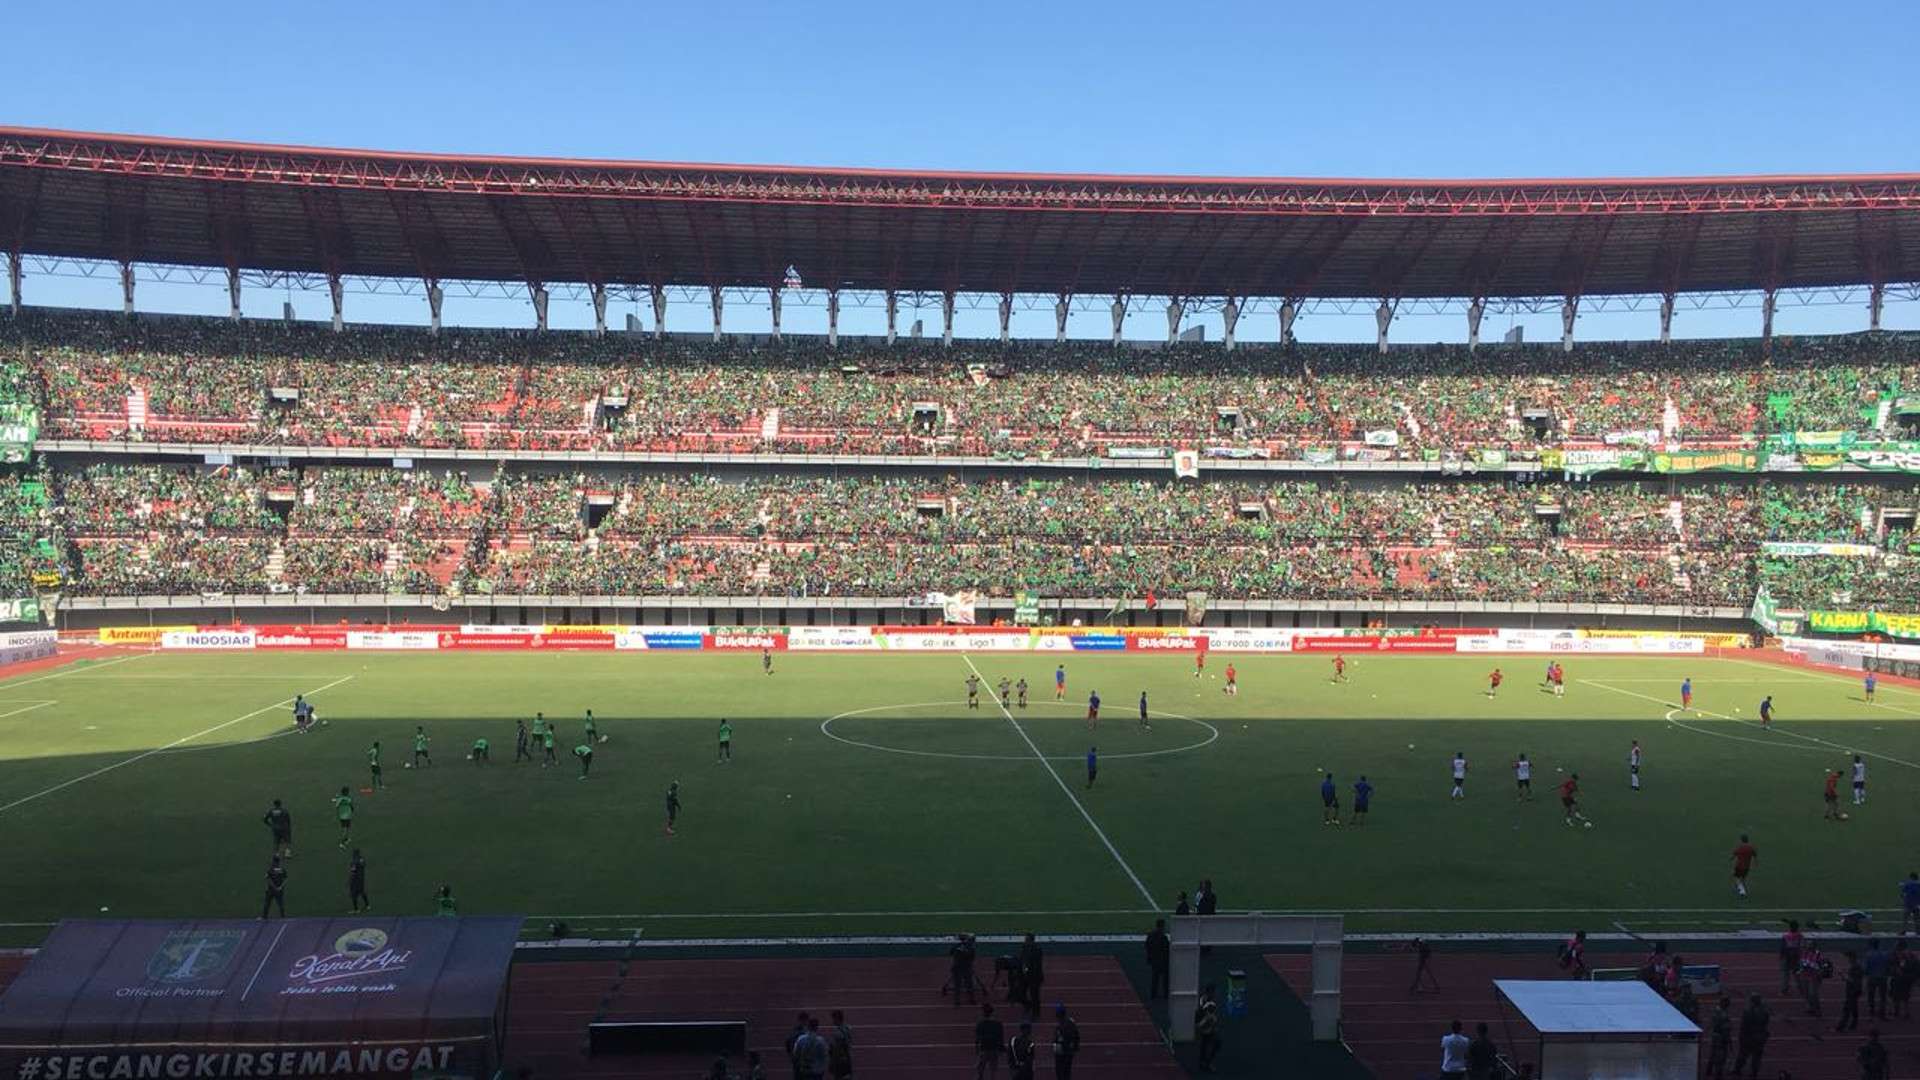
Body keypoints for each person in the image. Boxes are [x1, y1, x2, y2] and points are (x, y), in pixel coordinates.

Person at [1732, 994, 1768, 1078]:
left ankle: (1738, 1069)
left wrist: (1741, 1037)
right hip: (1759, 1037)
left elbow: (1744, 1026)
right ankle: (1754, 1072)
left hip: (1748, 1037)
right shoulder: (1764, 1012)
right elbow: (1765, 1023)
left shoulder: (1747, 1012)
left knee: (1743, 1054)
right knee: (1756, 1056)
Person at [1193, 985, 1221, 1072]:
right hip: (1206, 1027)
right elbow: (1209, 1016)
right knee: (1215, 1043)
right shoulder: (1208, 1002)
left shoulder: (1203, 999)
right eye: (1214, 992)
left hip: (1204, 1025)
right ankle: (1207, 1063)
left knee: (1205, 1045)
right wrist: (1211, 1023)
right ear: (1210, 992)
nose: (1215, 994)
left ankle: (1203, 1063)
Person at [1703, 995, 1732, 1079]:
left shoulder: (1716, 1011)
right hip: (1721, 1037)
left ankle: (1709, 1071)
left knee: (1712, 1054)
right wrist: (1728, 1040)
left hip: (1715, 1036)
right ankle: (1718, 1074)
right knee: (1720, 1057)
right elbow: (1725, 1028)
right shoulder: (1723, 1014)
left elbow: (1710, 1023)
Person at [973, 1003, 1004, 1080]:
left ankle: (980, 1077)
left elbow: (977, 1037)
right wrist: (1001, 1047)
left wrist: (976, 1048)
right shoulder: (997, 1023)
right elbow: (1001, 1036)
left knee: (980, 1067)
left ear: (983, 1012)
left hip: (984, 1048)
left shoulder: (980, 1023)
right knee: (993, 1069)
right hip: (994, 1048)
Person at [1050, 1004, 1080, 1080]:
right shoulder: (1070, 1022)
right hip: (1066, 1052)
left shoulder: (1063, 1026)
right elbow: (1076, 1036)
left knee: (1062, 1073)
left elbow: (1063, 1040)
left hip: (1063, 1052)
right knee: (1065, 1072)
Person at [947, 933, 978, 1003]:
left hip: (957, 967)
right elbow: (972, 957)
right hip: (966, 968)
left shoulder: (956, 946)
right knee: (969, 984)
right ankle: (971, 999)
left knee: (957, 985)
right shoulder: (971, 947)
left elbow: (950, 953)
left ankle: (957, 1000)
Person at [1018, 933, 1045, 1016]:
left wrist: (1025, 969)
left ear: (1031, 940)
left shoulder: (1037, 949)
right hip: (1025, 975)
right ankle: (1028, 1005)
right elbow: (1022, 959)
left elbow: (1035, 965)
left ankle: (1036, 1013)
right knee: (1020, 993)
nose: (1025, 941)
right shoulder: (1024, 948)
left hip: (1034, 976)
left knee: (1034, 996)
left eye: (1026, 939)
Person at [1863, 939, 1890, 1020]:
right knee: (1883, 997)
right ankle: (1882, 1014)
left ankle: (1871, 1013)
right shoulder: (1884, 954)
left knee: (1871, 997)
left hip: (1872, 978)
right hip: (1882, 977)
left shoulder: (1869, 955)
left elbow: (1866, 969)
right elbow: (1887, 966)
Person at [1145, 920, 1170, 998]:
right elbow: (1167, 949)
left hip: (1154, 959)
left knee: (1155, 978)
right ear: (1162, 926)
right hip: (1163, 960)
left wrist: (1150, 956)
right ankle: (1165, 994)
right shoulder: (1163, 937)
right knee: (1165, 979)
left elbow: (1147, 945)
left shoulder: (1151, 935)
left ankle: (1153, 994)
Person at [1839, 953, 1864, 1031]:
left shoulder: (1855, 967)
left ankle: (1842, 1026)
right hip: (1854, 990)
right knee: (1853, 1008)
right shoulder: (1856, 966)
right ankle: (1853, 1025)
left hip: (1853, 990)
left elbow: (1853, 980)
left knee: (1847, 1008)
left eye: (1849, 958)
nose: (1848, 960)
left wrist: (1843, 976)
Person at [1779, 919, 1804, 995]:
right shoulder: (1800, 936)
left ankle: (1784, 990)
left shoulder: (1785, 936)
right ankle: (1801, 989)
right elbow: (1801, 946)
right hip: (1796, 956)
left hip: (1787, 956)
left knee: (1785, 975)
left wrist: (1781, 956)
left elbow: (1783, 947)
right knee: (1797, 974)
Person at [827, 1010, 852, 1080]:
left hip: (839, 1061)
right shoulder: (847, 1028)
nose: (833, 1021)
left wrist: (832, 1062)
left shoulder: (838, 1032)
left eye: (833, 1019)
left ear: (837, 1019)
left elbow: (836, 1048)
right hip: (846, 1058)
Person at [348, 848, 369, 913]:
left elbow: (353, 871)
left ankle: (356, 909)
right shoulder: (361, 859)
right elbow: (364, 864)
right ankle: (367, 905)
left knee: (353, 894)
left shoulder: (354, 861)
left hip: (355, 880)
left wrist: (350, 880)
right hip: (361, 879)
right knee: (362, 892)